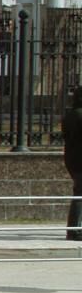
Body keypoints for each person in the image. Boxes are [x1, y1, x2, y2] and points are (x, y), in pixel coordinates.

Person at [63, 82, 82, 242]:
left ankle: (75, 228)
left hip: (72, 159)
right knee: (80, 195)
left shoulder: (70, 115)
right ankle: (75, 230)